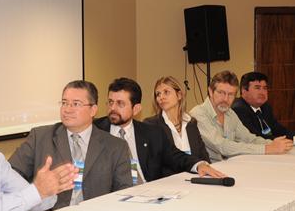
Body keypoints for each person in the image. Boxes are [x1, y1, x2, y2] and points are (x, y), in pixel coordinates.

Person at [9, 80, 132, 210]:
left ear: (93, 110)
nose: (67, 109)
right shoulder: (39, 137)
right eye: (64, 103)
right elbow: (9, 176)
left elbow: (124, 193)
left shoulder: (116, 146)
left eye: (76, 104)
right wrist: (35, 190)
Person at [95, 77, 225, 181]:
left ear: (136, 109)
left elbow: (175, 156)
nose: (113, 108)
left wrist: (199, 165)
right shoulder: (95, 130)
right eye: (110, 102)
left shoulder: (151, 132)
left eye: (120, 104)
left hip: (148, 192)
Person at [190, 71, 293, 162]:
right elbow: (222, 146)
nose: (225, 99)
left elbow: (249, 139)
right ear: (210, 91)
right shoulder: (198, 114)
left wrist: (273, 144)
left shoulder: (230, 113)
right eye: (221, 93)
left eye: (231, 94)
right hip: (208, 170)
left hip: (231, 165)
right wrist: (267, 149)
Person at [232, 72, 295, 145]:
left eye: (265, 88)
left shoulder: (265, 107)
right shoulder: (239, 109)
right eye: (257, 88)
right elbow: (257, 138)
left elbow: (278, 129)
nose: (262, 92)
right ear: (244, 91)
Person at [144, 76, 210, 163]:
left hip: (195, 170)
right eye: (158, 94)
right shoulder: (151, 124)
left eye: (166, 92)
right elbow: (154, 161)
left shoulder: (191, 122)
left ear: (179, 95)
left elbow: (203, 156)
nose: (161, 97)